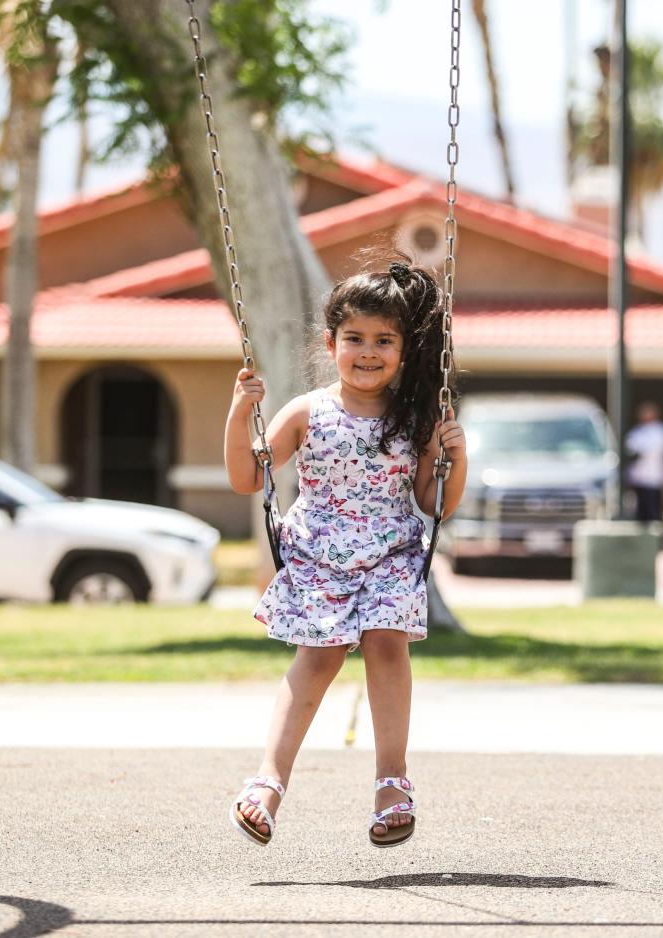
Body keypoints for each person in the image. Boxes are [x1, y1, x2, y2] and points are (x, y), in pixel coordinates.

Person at [223, 259, 466, 847]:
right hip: (319, 557)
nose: (368, 351)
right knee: (320, 658)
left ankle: (392, 782)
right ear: (330, 343)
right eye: (355, 338)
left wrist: (457, 458)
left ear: (405, 351)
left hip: (389, 554)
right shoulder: (307, 411)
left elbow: (435, 504)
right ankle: (268, 784)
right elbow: (246, 478)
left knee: (387, 646)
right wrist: (239, 410)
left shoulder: (416, 417)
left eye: (384, 340)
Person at [625, 401, 663, 523]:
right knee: (640, 514)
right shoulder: (638, 430)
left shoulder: (660, 430)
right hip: (638, 480)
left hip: (653, 480)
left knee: (653, 514)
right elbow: (628, 448)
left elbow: (647, 451)